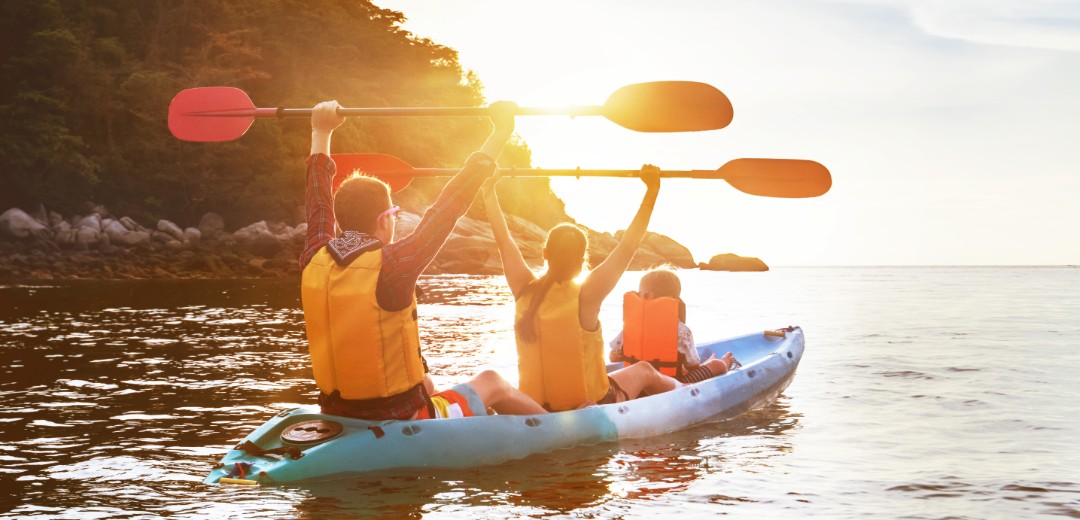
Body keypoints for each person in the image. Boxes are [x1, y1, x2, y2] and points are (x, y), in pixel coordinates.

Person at [299, 99, 546, 421]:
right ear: (384, 219)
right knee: (493, 381)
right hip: (402, 415)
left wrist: (320, 130)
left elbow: (317, 197)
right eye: (393, 212)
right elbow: (450, 204)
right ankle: (561, 428)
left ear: (341, 219)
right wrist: (502, 131)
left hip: (337, 410)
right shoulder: (394, 264)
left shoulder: (314, 255)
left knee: (427, 380)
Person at [481, 165, 683, 412]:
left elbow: (504, 241)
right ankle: (686, 393)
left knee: (633, 372)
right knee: (643, 370)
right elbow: (628, 246)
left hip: (532, 407)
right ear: (582, 260)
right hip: (590, 406)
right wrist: (652, 190)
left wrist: (488, 191)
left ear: (545, 254)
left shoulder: (523, 288)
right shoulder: (587, 295)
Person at [608, 267, 738, 384]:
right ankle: (724, 363)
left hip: (634, 384)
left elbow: (613, 357)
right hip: (670, 385)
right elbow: (693, 364)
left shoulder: (631, 327)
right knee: (716, 365)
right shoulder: (681, 331)